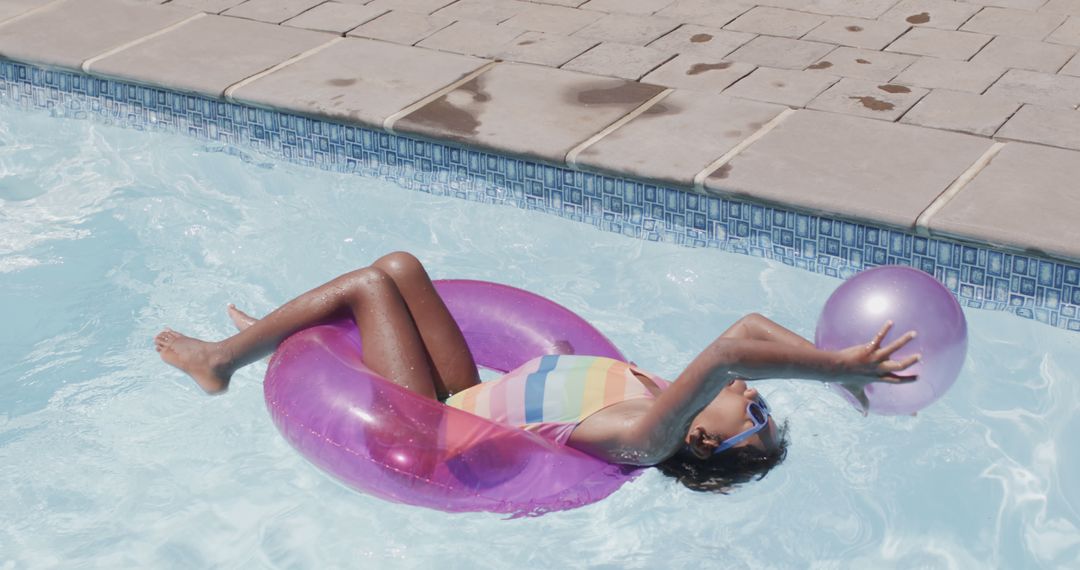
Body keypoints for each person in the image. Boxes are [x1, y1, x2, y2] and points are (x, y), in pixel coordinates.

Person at [155, 251, 918, 493]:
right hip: (462, 397)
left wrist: (826, 371)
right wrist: (848, 377)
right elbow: (750, 334)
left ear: (704, 443)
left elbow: (731, 350)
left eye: (752, 418)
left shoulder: (642, 439)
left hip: (432, 435)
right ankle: (267, 337)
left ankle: (220, 362)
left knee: (370, 288)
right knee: (400, 267)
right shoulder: (660, 393)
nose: (753, 399)